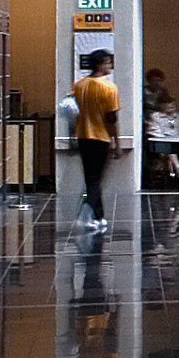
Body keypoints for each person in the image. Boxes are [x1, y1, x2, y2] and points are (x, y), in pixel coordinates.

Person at [71, 47, 119, 231]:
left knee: (91, 177)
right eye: (107, 62)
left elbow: (72, 111)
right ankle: (87, 211)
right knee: (96, 178)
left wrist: (73, 132)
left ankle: (99, 216)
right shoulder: (109, 88)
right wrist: (117, 142)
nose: (110, 66)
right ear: (100, 64)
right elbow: (112, 118)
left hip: (83, 136)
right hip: (101, 137)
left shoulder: (79, 85)